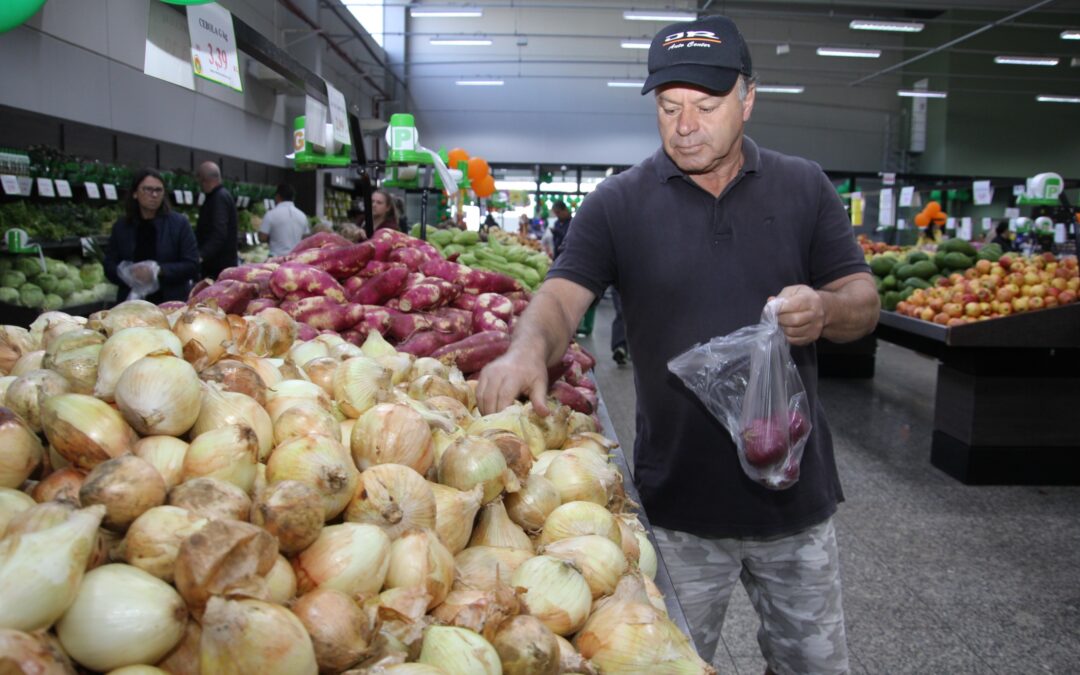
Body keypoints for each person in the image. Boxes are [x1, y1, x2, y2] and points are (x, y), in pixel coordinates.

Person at [477, 14, 879, 674]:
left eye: (705, 105)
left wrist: (827, 310)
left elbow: (864, 302)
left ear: (748, 99)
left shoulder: (803, 186)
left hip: (795, 503)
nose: (684, 124)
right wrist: (528, 349)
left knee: (814, 665)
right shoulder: (618, 203)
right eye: (668, 107)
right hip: (677, 514)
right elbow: (560, 296)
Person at [104, 169, 200, 303]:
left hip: (169, 302)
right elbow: (109, 265)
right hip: (131, 304)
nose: (154, 194)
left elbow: (192, 264)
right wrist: (129, 273)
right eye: (147, 189)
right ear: (135, 193)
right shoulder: (122, 227)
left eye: (159, 190)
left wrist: (158, 271)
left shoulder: (179, 224)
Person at [195, 161, 238, 280]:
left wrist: (202, 255)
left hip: (218, 267)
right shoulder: (222, 196)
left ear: (203, 180)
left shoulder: (218, 198)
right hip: (220, 265)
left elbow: (219, 232)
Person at [258, 183, 310, 257]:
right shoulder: (302, 215)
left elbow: (262, 237)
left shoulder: (271, 214)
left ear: (278, 196)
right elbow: (306, 238)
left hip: (276, 259)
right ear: (293, 198)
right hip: (296, 259)